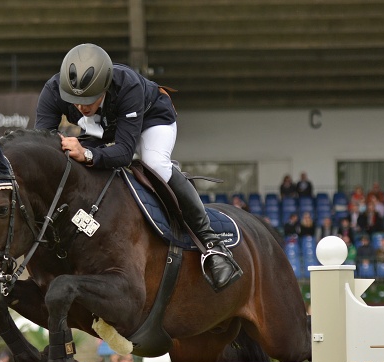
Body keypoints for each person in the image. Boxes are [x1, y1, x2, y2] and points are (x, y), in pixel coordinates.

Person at [35, 43, 240, 292]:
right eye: (75, 101)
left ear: (105, 86)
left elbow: (122, 153)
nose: (81, 107)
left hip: (151, 118)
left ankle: (211, 242)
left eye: (88, 99)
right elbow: (43, 148)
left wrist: (88, 153)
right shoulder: (53, 90)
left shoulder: (127, 85)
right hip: (104, 128)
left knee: (155, 163)